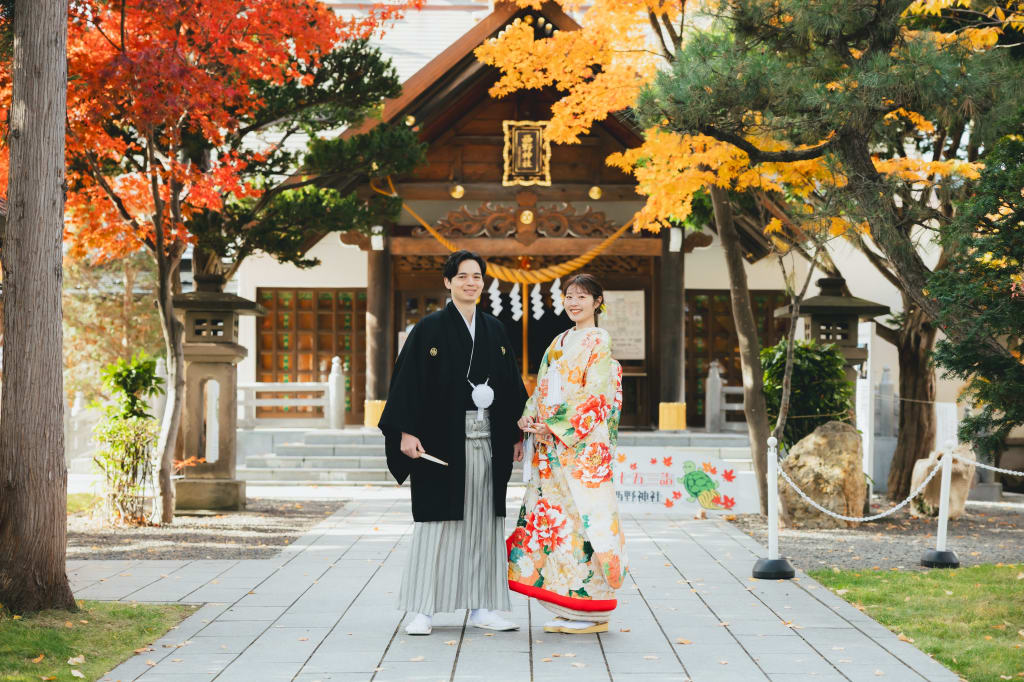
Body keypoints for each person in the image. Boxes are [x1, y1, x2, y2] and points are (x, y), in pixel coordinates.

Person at [379, 250, 529, 636]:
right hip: (441, 443)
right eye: (462, 276)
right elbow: (406, 383)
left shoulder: (494, 330)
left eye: (477, 276)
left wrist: (516, 434)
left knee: (484, 524)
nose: (470, 282)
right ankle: (422, 609)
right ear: (448, 282)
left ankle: (482, 607)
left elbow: (512, 387)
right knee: (438, 524)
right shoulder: (427, 329)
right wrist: (406, 431)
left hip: (487, 441)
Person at [508, 273, 626, 634]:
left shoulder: (599, 340)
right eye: (568, 296)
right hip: (552, 450)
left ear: (597, 302)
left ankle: (594, 610)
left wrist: (557, 425)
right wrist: (530, 416)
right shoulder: (558, 342)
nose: (573, 302)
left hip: (579, 450)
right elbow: (543, 386)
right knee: (556, 526)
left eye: (582, 297)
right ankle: (569, 604)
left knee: (583, 524)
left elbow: (596, 393)